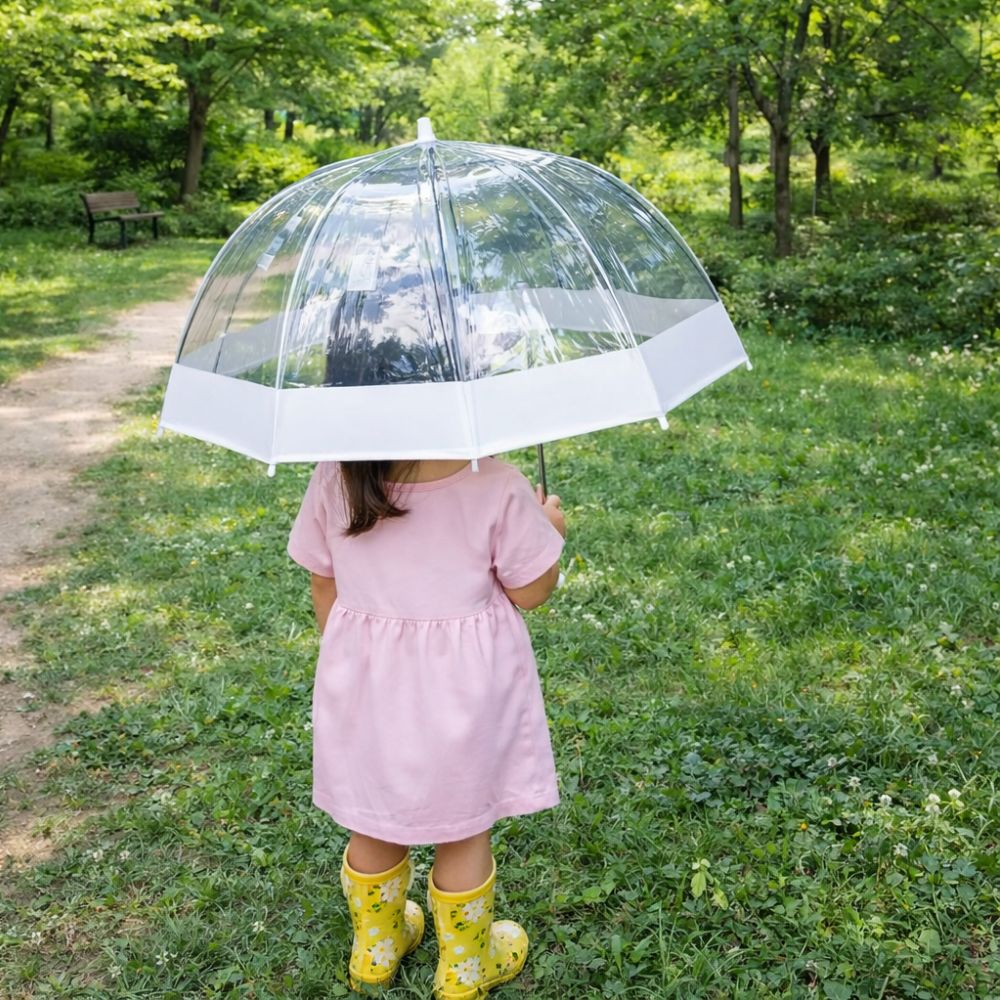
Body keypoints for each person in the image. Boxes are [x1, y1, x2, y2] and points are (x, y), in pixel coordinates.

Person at [287, 456, 566, 998]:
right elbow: (532, 591)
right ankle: (463, 974)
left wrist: (352, 662)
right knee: (463, 830)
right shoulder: (496, 482)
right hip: (465, 697)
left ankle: (375, 954)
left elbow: (323, 582)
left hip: (366, 690)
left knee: (372, 821)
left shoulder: (336, 475)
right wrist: (548, 530)